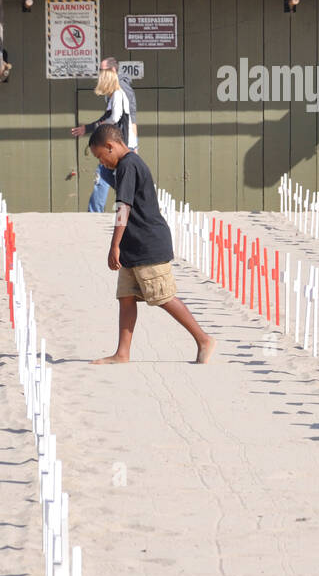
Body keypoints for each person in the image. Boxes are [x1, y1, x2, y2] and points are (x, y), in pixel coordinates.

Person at [87, 123, 217, 366]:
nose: (102, 162)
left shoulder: (127, 165)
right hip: (133, 245)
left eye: (100, 156)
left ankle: (203, 339)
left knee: (163, 296)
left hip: (148, 244)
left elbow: (123, 207)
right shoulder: (128, 164)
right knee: (126, 297)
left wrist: (113, 245)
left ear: (110, 146)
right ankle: (122, 353)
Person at [71, 57, 138, 212]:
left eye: (102, 72)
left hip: (121, 143)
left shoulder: (119, 92)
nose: (100, 75)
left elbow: (116, 117)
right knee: (108, 173)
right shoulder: (114, 95)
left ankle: (123, 207)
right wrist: (90, 127)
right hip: (120, 142)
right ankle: (119, 207)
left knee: (111, 175)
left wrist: (99, 126)